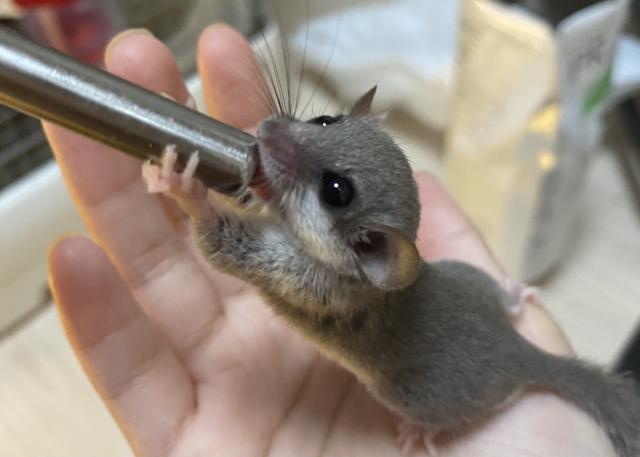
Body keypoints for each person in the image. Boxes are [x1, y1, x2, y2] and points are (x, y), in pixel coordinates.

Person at [45, 25, 615, 457]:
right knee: (457, 284)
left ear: (366, 252)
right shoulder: (357, 256)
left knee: (407, 394)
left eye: (335, 190)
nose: (277, 133)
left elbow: (230, 250)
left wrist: (194, 199)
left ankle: (471, 369)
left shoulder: (329, 285)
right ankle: (505, 300)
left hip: (454, 374)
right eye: (322, 125)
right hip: (475, 301)